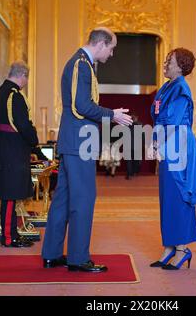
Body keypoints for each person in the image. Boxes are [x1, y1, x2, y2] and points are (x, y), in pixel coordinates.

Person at [42, 27, 132, 272]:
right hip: (79, 143)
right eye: (111, 48)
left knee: (62, 199)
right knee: (82, 199)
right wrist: (112, 114)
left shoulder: (83, 64)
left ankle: (51, 254)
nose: (112, 54)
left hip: (74, 142)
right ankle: (78, 258)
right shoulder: (81, 64)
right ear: (100, 44)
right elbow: (80, 106)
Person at [150, 48, 196, 270]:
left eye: (168, 61)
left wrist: (156, 143)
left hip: (178, 145)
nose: (164, 64)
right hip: (167, 143)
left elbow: (172, 119)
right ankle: (169, 247)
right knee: (167, 197)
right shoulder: (167, 87)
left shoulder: (181, 88)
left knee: (179, 195)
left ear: (180, 65)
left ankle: (182, 249)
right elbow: (159, 116)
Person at [0, 61, 39, 247]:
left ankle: (12, 233)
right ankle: (9, 238)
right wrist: (34, 142)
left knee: (8, 193)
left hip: (3, 146)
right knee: (10, 194)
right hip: (13, 149)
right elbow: (23, 125)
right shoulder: (15, 96)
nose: (26, 81)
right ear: (22, 75)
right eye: (27, 78)